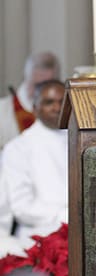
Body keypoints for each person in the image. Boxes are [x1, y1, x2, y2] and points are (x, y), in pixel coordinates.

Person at [0, 79, 68, 248]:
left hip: (81, 233)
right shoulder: (18, 147)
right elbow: (21, 206)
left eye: (62, 102)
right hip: (37, 237)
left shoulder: (82, 142)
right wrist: (64, 216)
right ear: (35, 108)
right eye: (49, 102)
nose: (57, 108)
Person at [0, 52, 60, 149]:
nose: (41, 92)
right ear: (26, 77)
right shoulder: (2, 111)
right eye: (37, 86)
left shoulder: (61, 114)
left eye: (47, 86)